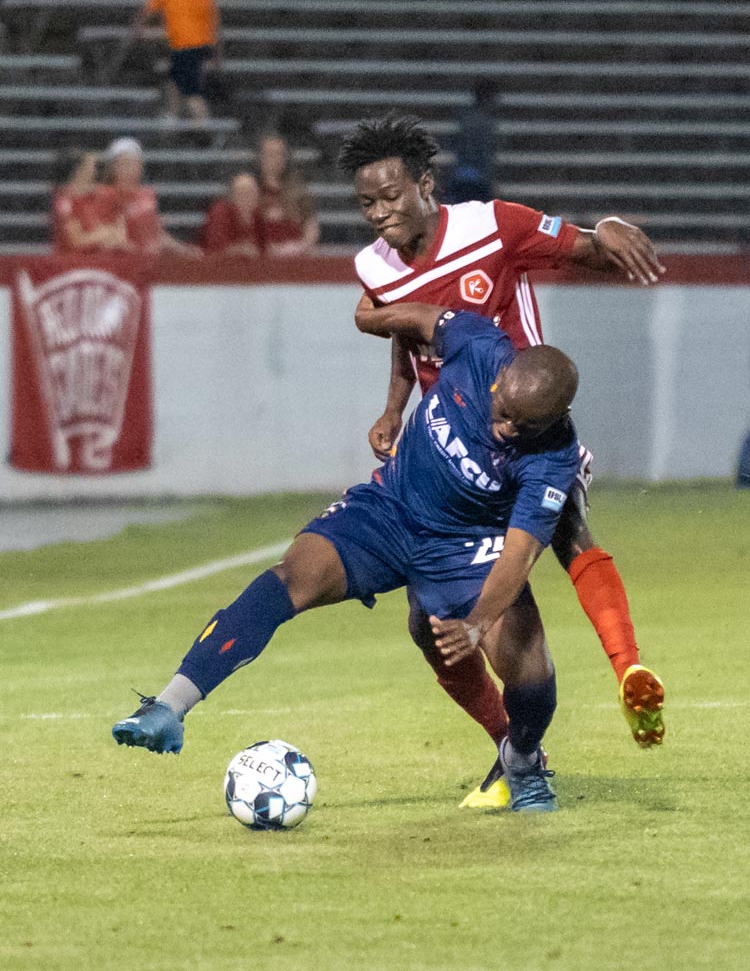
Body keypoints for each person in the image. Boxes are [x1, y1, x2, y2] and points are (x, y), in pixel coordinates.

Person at [113, 305, 582, 813]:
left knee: (528, 664)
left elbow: (519, 553)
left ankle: (524, 760)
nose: (504, 427)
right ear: (502, 375)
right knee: (293, 575)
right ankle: (169, 706)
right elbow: (412, 320)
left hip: (467, 548)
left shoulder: (554, 457)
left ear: (554, 421)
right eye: (503, 409)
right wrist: (383, 364)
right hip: (390, 510)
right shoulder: (476, 342)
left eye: (522, 425)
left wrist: (478, 620)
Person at [337, 115, 665, 806]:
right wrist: (394, 409)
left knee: (545, 548)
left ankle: (604, 689)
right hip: (447, 455)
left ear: (425, 184)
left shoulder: (494, 224)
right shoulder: (375, 263)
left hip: (526, 429)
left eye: (391, 194)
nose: (380, 211)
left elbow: (582, 247)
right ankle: (525, 741)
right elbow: (411, 336)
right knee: (431, 623)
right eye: (368, 202)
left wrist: (605, 224)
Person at [134, 0, 221, 123]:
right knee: (173, 80)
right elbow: (215, 22)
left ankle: (203, 123)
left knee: (190, 90)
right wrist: (216, 54)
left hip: (185, 43)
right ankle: (172, 114)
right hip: (202, 43)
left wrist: (138, 28)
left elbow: (146, 11)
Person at [98, 137, 203, 257]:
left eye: (135, 164)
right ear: (112, 169)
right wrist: (137, 250)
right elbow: (103, 238)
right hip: (119, 262)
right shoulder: (104, 195)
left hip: (147, 262)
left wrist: (183, 250)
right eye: (124, 165)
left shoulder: (147, 194)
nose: (130, 171)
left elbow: (157, 233)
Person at [51, 149, 132, 253]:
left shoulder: (103, 194)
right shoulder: (64, 201)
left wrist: (111, 236)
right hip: (72, 263)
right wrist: (104, 233)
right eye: (91, 165)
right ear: (79, 171)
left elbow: (119, 233)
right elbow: (76, 241)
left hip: (100, 260)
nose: (95, 170)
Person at [257, 132, 320, 256]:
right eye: (270, 154)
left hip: (293, 258)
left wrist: (296, 248)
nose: (275, 159)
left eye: (279, 154)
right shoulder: (251, 190)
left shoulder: (299, 191)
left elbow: (311, 228)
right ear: (260, 157)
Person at [445, 79, 501, 204]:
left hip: (462, 176)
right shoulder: (484, 123)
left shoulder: (465, 118)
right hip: (476, 179)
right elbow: (484, 154)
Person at [200, 172, 264, 256]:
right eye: (242, 193)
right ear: (232, 197)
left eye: (252, 192)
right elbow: (216, 250)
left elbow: (264, 249)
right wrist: (241, 250)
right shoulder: (220, 213)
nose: (247, 197)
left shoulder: (257, 217)